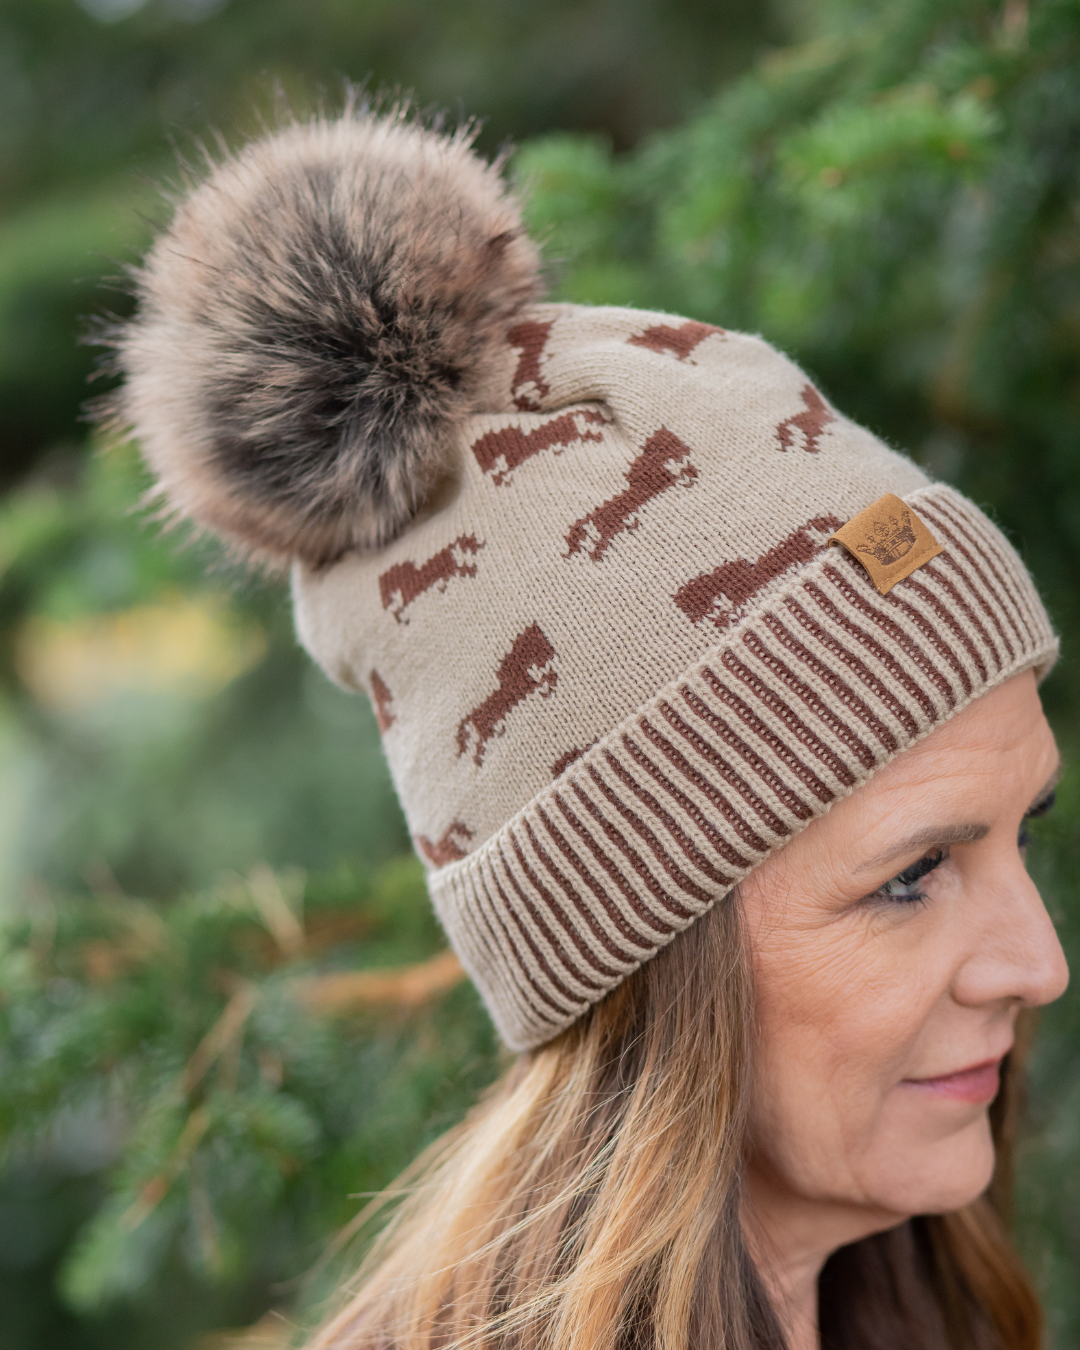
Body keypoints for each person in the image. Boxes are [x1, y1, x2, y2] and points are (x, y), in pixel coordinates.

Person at [102, 103, 1069, 1350]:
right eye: (913, 874)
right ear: (632, 956)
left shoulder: (933, 1312)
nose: (1038, 965)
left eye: (1019, 838)